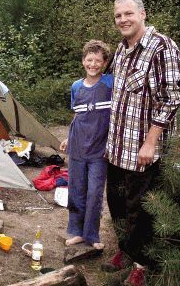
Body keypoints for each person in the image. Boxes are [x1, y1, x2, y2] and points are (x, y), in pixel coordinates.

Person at [102, 0, 180, 286]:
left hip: (142, 150)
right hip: (116, 147)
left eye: (128, 14)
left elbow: (171, 99)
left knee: (141, 210)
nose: (122, 20)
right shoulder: (121, 50)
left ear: (143, 14)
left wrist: (150, 142)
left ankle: (141, 266)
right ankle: (125, 250)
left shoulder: (162, 47)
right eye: (118, 16)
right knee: (117, 203)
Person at [59, 40, 113, 251]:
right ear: (83, 61)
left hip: (100, 150)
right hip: (78, 147)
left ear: (105, 63)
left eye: (98, 60)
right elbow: (78, 114)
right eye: (89, 60)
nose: (93, 64)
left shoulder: (110, 82)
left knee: (95, 193)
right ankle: (76, 232)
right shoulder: (76, 86)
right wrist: (68, 137)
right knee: (76, 191)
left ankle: (92, 234)